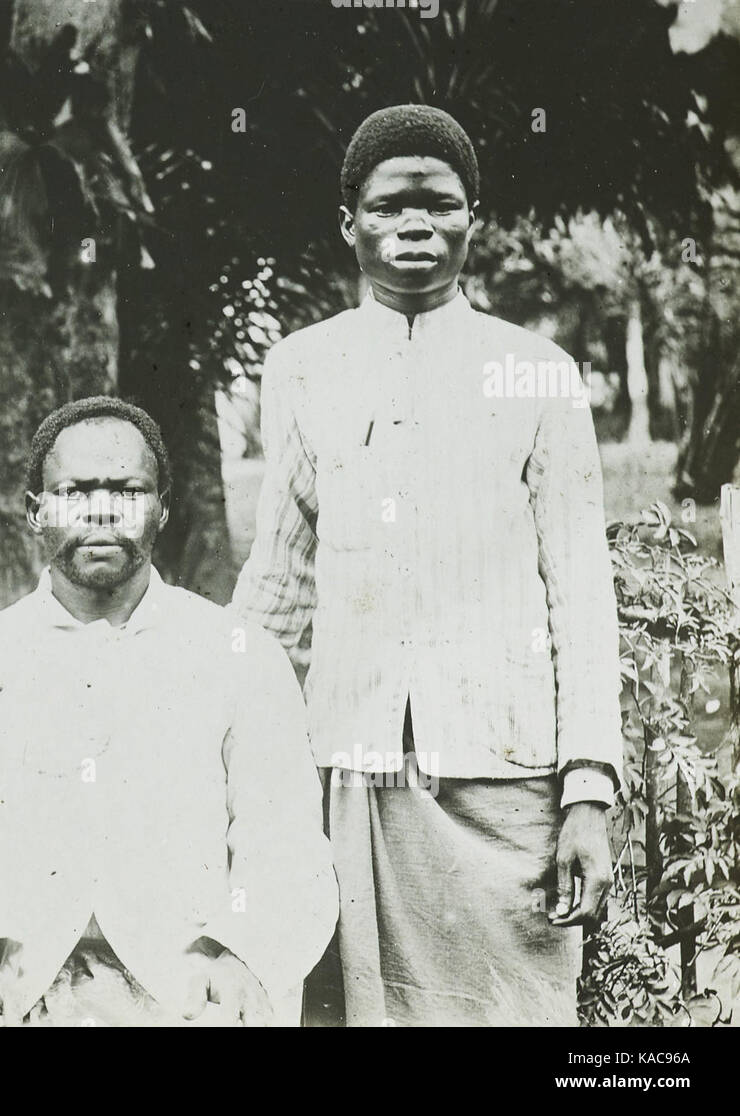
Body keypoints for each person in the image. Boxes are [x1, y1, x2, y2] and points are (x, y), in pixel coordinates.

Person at [231, 105, 622, 1026]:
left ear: (472, 220)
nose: (415, 224)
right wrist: (226, 750)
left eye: (440, 205)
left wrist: (589, 795)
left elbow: (580, 595)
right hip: (352, 774)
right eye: (389, 205)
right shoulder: (301, 368)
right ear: (348, 221)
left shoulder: (537, 372)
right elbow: (280, 582)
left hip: (505, 787)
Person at [0, 396, 337, 1027]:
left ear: (164, 508)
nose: (101, 509)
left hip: (187, 989)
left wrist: (241, 957)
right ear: (34, 511)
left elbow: (284, 847)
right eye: (74, 491)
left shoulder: (239, 656)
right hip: (20, 988)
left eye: (127, 490)